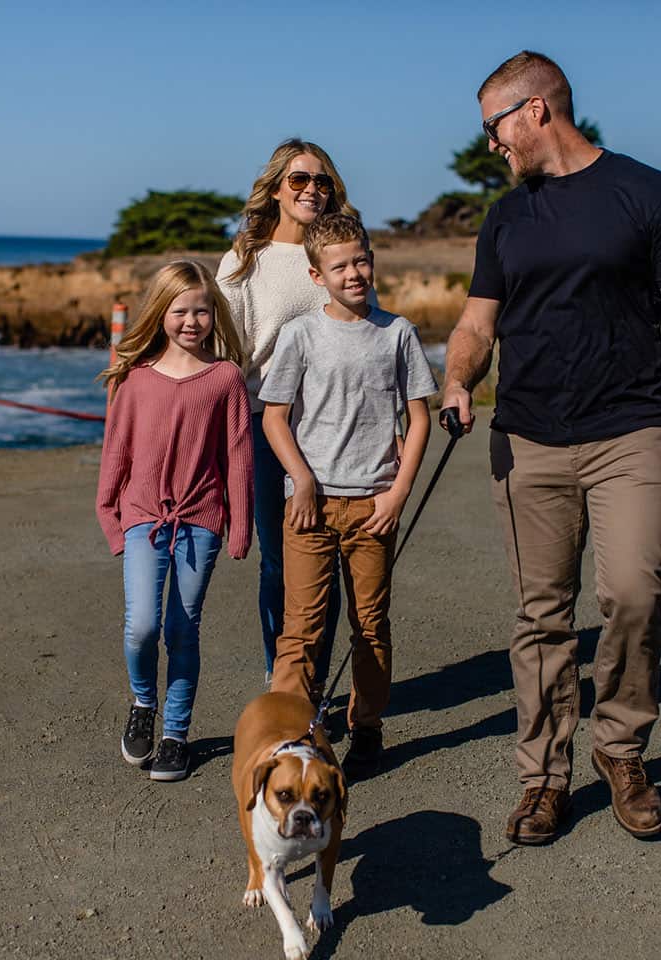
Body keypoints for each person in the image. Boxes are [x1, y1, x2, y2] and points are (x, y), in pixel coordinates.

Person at [441, 51, 661, 843]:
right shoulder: (507, 217)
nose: (490, 146)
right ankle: (543, 779)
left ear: (536, 110)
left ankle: (622, 750)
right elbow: (477, 321)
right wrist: (459, 379)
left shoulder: (647, 194)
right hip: (527, 439)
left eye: (492, 126)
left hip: (629, 430)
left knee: (635, 596)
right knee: (541, 618)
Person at [260, 213, 437, 780]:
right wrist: (302, 480)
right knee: (301, 629)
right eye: (340, 266)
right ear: (317, 275)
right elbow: (275, 418)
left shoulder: (398, 332)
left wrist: (398, 492)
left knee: (370, 625)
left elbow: (418, 416)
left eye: (361, 261)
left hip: (373, 506)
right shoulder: (301, 335)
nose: (354, 273)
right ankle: (289, 735)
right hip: (309, 507)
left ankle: (367, 728)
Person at [95, 260, 254, 783]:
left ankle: (176, 735)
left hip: (201, 522)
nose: (191, 321)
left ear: (215, 314)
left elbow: (237, 455)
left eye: (202, 311)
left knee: (183, 630)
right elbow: (115, 453)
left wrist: (240, 526)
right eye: (180, 310)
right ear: (160, 312)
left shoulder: (225, 378)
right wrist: (111, 521)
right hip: (143, 518)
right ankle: (144, 703)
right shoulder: (135, 380)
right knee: (142, 626)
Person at [218, 139, 366, 692]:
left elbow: (363, 332)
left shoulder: (340, 251)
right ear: (276, 187)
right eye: (300, 179)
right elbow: (228, 356)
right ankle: (281, 678)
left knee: (325, 562)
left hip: (337, 425)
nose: (312, 190)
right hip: (265, 425)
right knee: (280, 560)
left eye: (322, 181)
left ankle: (316, 688)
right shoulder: (243, 262)